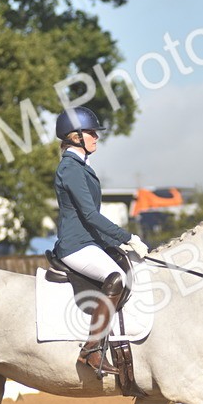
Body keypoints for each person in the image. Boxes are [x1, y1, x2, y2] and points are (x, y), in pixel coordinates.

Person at [51, 106, 149, 377]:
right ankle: (91, 349)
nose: (96, 137)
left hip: (90, 241)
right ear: (74, 136)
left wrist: (118, 243)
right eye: (91, 133)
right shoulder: (70, 168)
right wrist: (127, 236)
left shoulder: (81, 166)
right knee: (116, 276)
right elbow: (91, 215)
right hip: (76, 245)